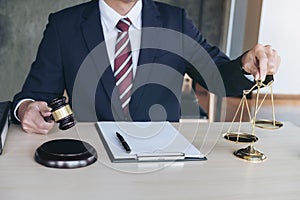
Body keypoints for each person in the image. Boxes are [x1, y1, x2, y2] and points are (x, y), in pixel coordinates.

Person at [12, 0, 281, 134]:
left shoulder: (175, 21)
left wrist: (248, 65)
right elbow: (36, 95)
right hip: (91, 158)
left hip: (163, 160)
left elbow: (218, 76)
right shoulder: (64, 26)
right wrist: (25, 108)